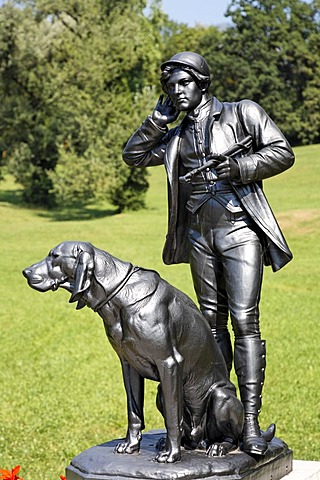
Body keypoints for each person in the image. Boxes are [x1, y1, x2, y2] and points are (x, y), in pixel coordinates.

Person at [123, 51, 294, 455]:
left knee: (244, 321)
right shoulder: (176, 135)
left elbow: (282, 152)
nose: (177, 91)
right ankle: (217, 419)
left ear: (202, 81)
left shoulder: (242, 113)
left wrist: (239, 168)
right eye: (170, 86)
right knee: (210, 326)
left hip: (240, 231)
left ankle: (249, 424)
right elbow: (132, 155)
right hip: (200, 235)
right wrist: (157, 121)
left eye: (184, 82)